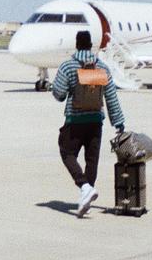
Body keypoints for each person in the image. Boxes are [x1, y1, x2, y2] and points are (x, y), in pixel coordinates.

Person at [49, 30, 125, 217]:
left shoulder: (68, 66)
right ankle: (86, 196)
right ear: (91, 46)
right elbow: (111, 97)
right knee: (92, 160)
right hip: (96, 122)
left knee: (67, 153)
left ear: (76, 45)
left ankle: (84, 187)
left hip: (75, 120)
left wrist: (59, 88)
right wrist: (118, 122)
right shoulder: (102, 67)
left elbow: (59, 94)